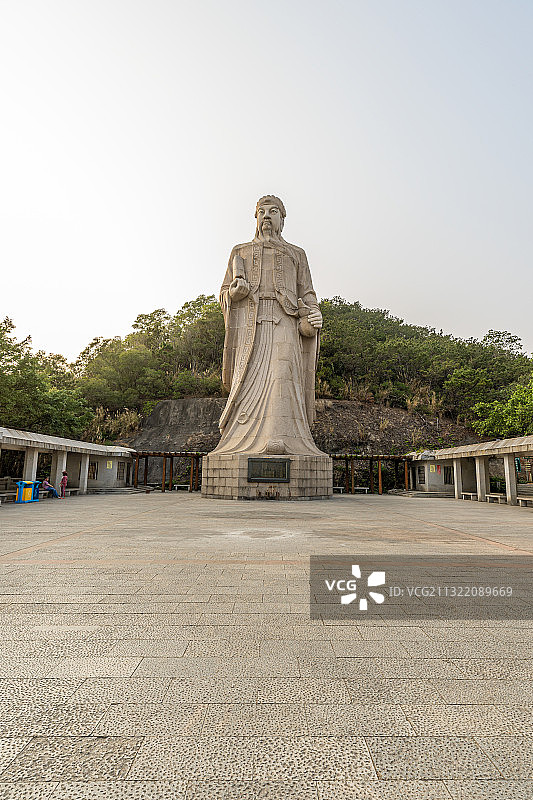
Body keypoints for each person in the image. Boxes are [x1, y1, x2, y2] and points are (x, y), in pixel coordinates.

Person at [213, 195, 324, 456]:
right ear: (255, 218)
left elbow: (307, 293)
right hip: (251, 324)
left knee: (282, 375)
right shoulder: (239, 252)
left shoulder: (297, 253)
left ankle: (283, 439)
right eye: (261, 211)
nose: (266, 216)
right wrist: (234, 292)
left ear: (282, 220)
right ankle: (242, 441)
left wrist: (315, 312)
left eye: (273, 211)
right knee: (247, 378)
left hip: (284, 320)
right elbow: (224, 291)